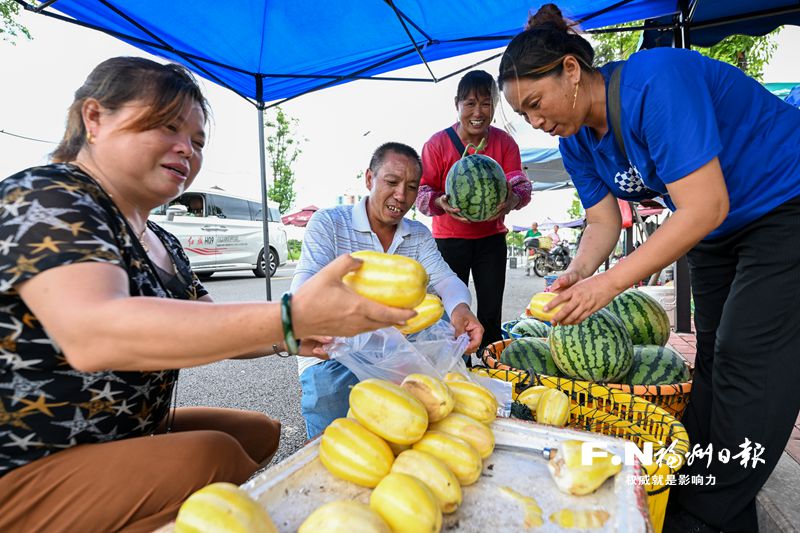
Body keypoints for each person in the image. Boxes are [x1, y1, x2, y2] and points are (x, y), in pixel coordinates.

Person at [0, 57, 415, 533]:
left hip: (126, 430)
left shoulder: (163, 240)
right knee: (210, 457)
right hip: (28, 456)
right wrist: (289, 315)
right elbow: (94, 332)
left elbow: (211, 322)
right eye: (167, 127)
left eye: (197, 142)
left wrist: (289, 337)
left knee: (260, 435)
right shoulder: (48, 195)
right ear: (95, 118)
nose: (187, 151)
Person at [498, 4, 800, 532]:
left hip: (785, 203)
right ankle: (705, 494)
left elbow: (704, 205)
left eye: (535, 103)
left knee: (747, 360)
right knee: (710, 362)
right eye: (524, 116)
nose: (536, 122)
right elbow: (601, 223)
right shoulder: (576, 143)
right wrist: (579, 272)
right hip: (720, 229)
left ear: (571, 70)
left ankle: (704, 514)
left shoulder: (655, 83)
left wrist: (608, 285)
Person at [291, 142, 484, 439]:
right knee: (337, 440)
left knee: (420, 425)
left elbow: (446, 280)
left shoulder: (417, 234)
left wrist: (461, 309)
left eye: (410, 187)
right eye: (391, 182)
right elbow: (302, 287)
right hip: (332, 354)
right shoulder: (329, 223)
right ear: (370, 179)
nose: (401, 196)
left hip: (393, 350)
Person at [416, 70, 532, 347]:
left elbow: (520, 184)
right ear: (457, 104)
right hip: (448, 241)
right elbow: (422, 193)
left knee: (491, 311)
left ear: (494, 105)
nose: (478, 112)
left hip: (491, 241)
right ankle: (456, 366)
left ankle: (491, 364)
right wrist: (439, 202)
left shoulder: (504, 143)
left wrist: (513, 199)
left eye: (485, 103)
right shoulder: (436, 144)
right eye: (470, 103)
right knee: (450, 311)